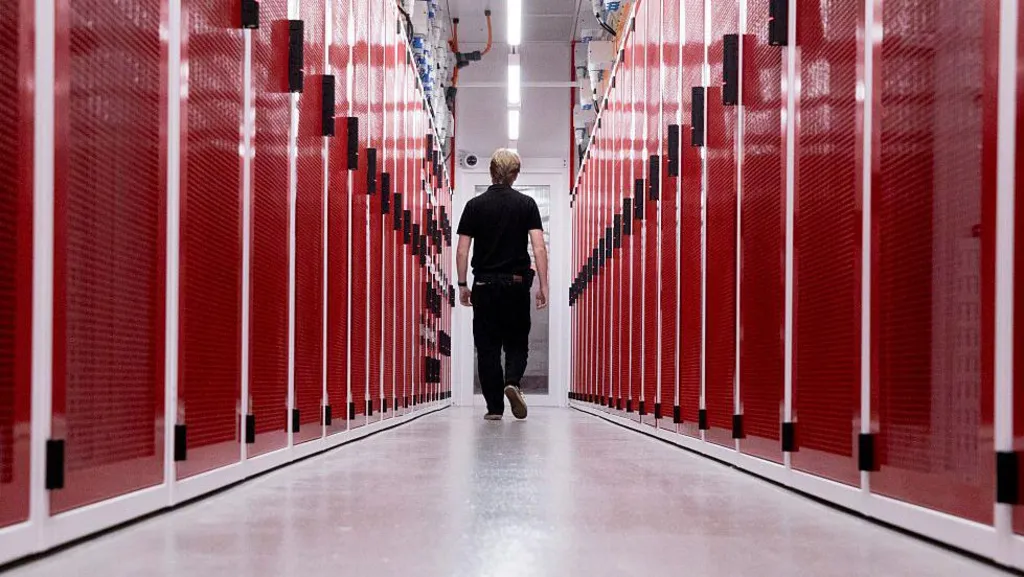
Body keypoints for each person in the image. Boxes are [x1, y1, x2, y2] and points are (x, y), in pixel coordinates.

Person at [456, 149, 548, 421]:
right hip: (516, 285)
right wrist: (544, 286)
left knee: (487, 347)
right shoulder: (527, 204)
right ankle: (513, 382)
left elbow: (462, 251)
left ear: (491, 173)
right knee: (517, 341)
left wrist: (463, 284)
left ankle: (494, 408)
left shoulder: (474, 206)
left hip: (484, 285)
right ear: (515, 174)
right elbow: (539, 248)